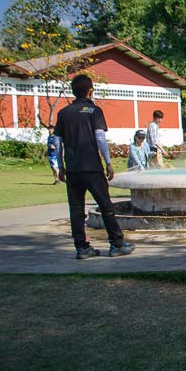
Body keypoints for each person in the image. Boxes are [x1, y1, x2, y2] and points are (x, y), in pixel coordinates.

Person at [54, 74, 135, 259]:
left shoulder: (64, 113)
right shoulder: (94, 111)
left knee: (76, 210)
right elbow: (100, 137)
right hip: (92, 167)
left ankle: (81, 248)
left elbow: (57, 142)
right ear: (91, 91)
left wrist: (61, 166)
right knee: (106, 206)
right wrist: (108, 162)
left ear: (73, 91)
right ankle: (116, 244)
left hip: (73, 169)